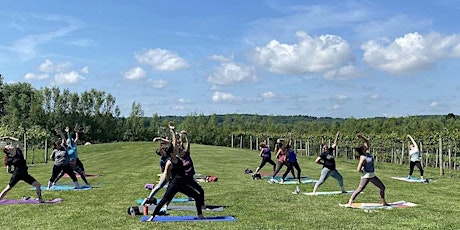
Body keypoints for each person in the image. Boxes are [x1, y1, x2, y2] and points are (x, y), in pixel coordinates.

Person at [148, 122, 204, 220]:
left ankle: (200, 215)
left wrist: (173, 131)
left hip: (182, 184)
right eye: (174, 149)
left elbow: (174, 142)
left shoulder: (177, 156)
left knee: (197, 195)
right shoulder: (169, 162)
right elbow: (165, 173)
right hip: (173, 184)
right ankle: (152, 216)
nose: (176, 149)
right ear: (171, 152)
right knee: (164, 200)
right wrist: (163, 180)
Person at [346, 134, 388, 207]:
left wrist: (361, 136)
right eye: (364, 147)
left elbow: (367, 141)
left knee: (382, 187)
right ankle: (350, 202)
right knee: (359, 189)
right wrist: (363, 172)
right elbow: (358, 169)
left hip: (372, 175)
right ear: (362, 150)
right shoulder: (363, 157)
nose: (366, 147)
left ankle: (384, 202)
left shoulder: (368, 153)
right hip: (366, 175)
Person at [0, 137, 44, 203]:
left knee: (38, 185)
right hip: (17, 175)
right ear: (7, 151)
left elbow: (18, 141)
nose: (10, 145)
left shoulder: (18, 151)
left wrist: (9, 138)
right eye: (8, 146)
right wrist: (14, 173)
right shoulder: (9, 159)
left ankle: (40, 199)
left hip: (25, 174)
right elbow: (8, 170)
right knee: (8, 188)